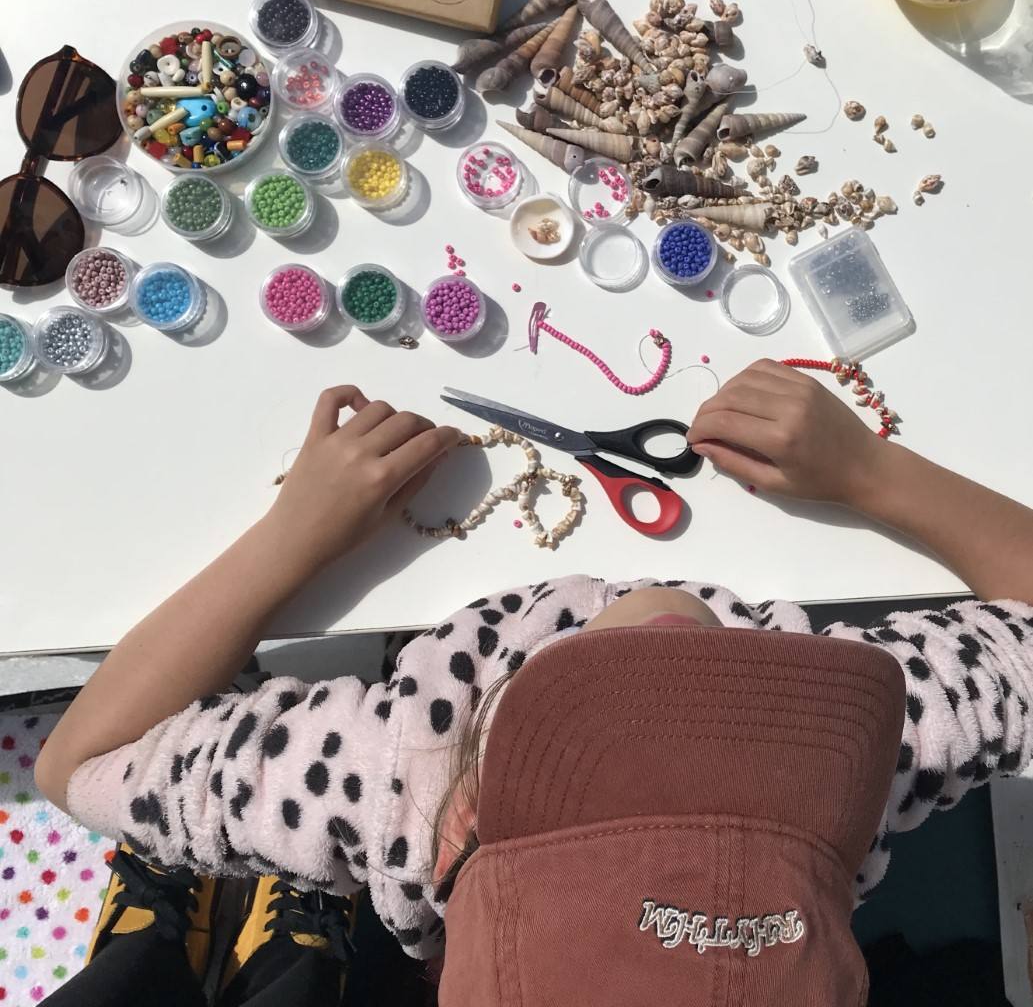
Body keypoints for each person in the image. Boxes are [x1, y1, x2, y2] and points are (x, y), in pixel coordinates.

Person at [35, 361, 1033, 1006]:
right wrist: (869, 471)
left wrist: (295, 532)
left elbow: (79, 759)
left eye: (590, 709)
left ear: (467, 815)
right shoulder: (876, 742)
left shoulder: (396, 780)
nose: (676, 638)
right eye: (744, 711)